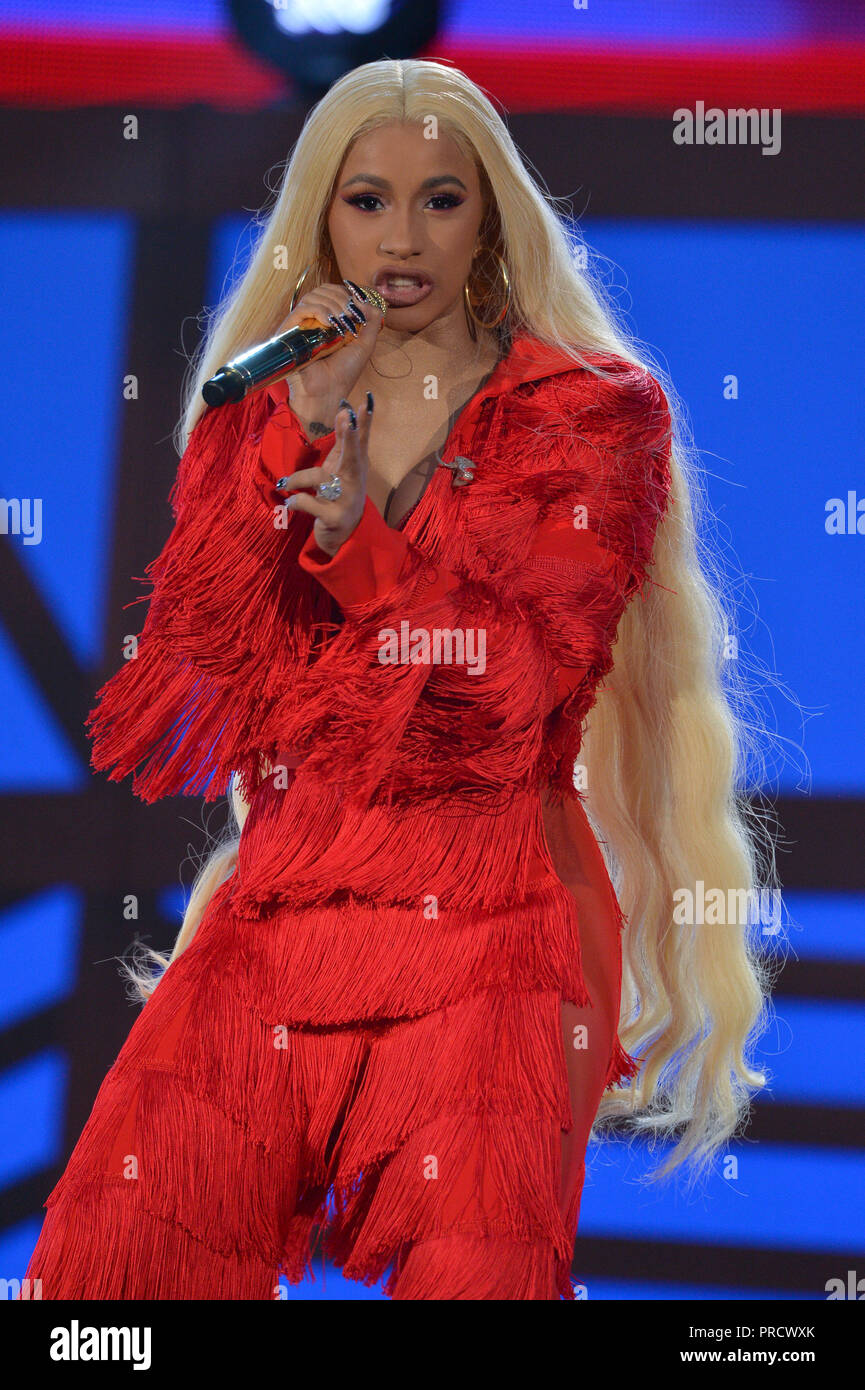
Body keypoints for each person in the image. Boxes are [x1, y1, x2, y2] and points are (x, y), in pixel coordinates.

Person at [22, 58, 771, 1301]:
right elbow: (212, 666)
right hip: (279, 916)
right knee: (101, 1286)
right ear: (321, 216)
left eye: (441, 199)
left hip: (492, 921)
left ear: (489, 221)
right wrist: (291, 437)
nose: (401, 235)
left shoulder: (593, 416)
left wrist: (368, 546)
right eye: (367, 200)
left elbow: (517, 685)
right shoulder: (266, 404)